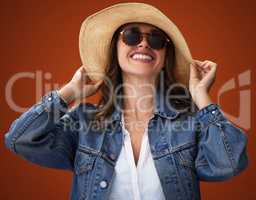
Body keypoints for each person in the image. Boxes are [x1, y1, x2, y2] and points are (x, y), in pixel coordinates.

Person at [5, 2, 248, 200]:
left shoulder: (189, 122)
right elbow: (20, 140)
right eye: (131, 36)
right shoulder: (84, 122)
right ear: (115, 49)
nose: (143, 43)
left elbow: (228, 164)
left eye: (156, 40)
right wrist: (68, 93)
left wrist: (201, 95)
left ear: (165, 56)